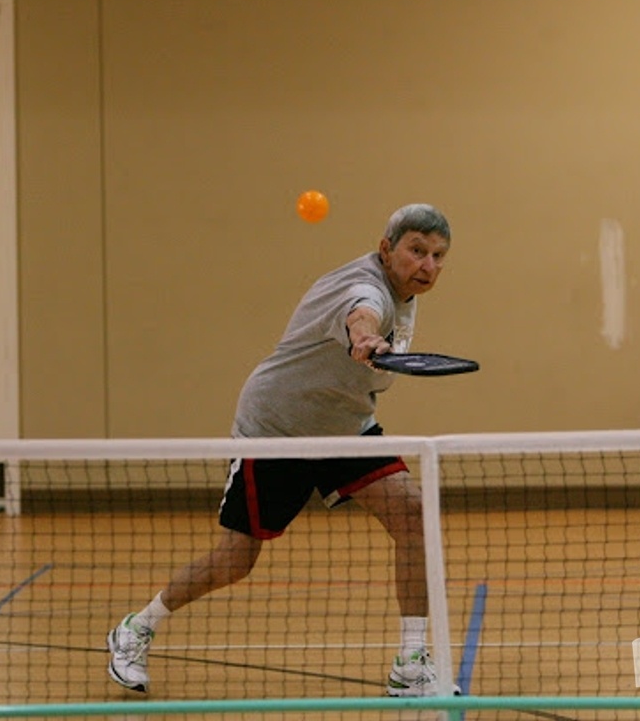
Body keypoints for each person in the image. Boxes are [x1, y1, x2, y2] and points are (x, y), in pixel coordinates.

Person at [108, 203, 456, 696]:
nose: (428, 266)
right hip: (276, 430)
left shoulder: (405, 292)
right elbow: (362, 314)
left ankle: (410, 665)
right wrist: (364, 336)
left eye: (438, 256)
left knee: (414, 517)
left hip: (343, 429)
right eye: (417, 251)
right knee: (235, 561)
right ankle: (136, 628)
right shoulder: (364, 288)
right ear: (386, 249)